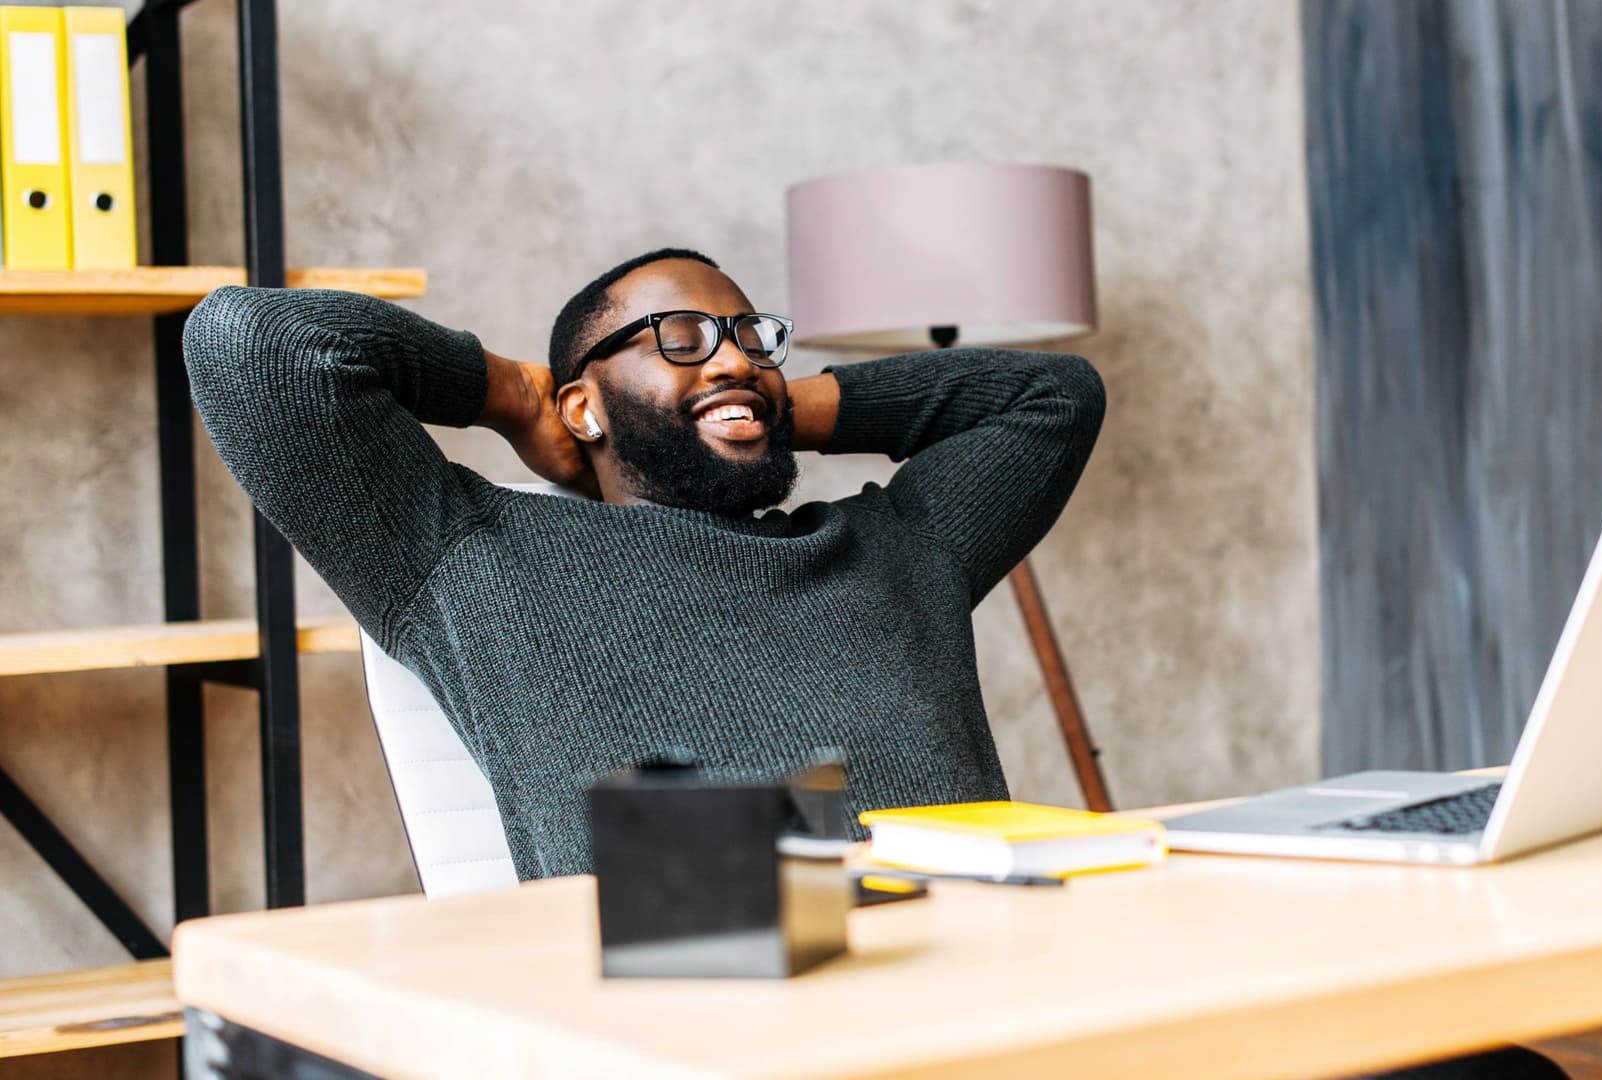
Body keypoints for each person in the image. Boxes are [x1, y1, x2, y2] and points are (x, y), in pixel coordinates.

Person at [182, 247, 1104, 880]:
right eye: (681, 338)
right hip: (690, 1022)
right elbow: (251, 343)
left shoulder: (898, 549)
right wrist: (515, 395)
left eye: (751, 337)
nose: (735, 360)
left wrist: (781, 401)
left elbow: (1052, 396)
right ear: (582, 404)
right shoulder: (468, 560)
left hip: (984, 995)